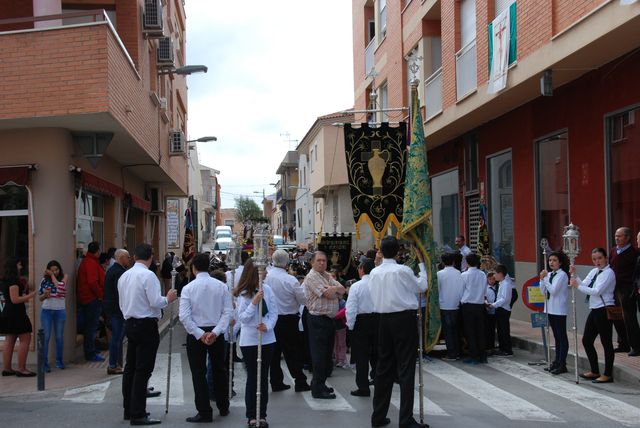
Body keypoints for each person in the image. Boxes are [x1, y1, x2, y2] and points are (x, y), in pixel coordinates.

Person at [369, 236, 428, 428]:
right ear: (397, 252)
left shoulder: (375, 273)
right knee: (406, 368)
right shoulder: (402, 270)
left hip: (382, 320)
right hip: (403, 320)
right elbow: (422, 287)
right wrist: (422, 264)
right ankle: (405, 419)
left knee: (383, 368)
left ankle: (378, 416)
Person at [119, 243, 177, 425]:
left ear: (135, 257)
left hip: (130, 322)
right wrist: (168, 299)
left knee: (130, 368)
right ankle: (138, 413)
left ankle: (129, 409)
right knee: (142, 370)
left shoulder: (125, 275)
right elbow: (155, 301)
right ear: (150, 257)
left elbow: (122, 303)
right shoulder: (148, 275)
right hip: (145, 324)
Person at [179, 253, 232, 423]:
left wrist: (200, 334)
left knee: (198, 372)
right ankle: (223, 406)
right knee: (219, 370)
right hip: (215, 331)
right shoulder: (221, 286)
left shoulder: (188, 288)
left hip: (197, 333)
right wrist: (215, 332)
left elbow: (184, 317)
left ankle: (204, 410)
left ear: (193, 268)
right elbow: (227, 312)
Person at [235, 260, 279, 428]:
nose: (266, 272)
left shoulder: (267, 290)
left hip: (267, 338)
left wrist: (267, 325)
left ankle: (263, 414)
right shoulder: (244, 293)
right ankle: (252, 415)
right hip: (250, 340)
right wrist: (254, 303)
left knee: (263, 377)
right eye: (263, 270)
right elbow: (243, 318)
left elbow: (274, 312)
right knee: (253, 378)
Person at [265, 249, 310, 392]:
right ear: (286, 263)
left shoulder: (266, 277)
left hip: (270, 319)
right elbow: (302, 299)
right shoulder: (290, 280)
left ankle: (276, 381)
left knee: (274, 352)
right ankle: (300, 381)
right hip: (288, 319)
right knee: (292, 351)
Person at [570, 247, 617, 383]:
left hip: (604, 308)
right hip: (595, 308)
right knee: (587, 340)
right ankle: (595, 370)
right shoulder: (594, 271)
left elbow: (596, 291)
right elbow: (584, 284)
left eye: (600, 258)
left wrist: (577, 286)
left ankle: (608, 374)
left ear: (605, 258)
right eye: (594, 259)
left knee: (606, 342)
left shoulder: (609, 273)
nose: (597, 261)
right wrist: (575, 275)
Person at [303, 251, 346, 399]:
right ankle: (317, 388)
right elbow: (329, 294)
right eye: (319, 260)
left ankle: (321, 383)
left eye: (324, 260)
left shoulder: (326, 275)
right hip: (317, 320)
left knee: (327, 355)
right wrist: (334, 291)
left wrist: (334, 290)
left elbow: (342, 290)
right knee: (319, 355)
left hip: (328, 320)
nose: (322, 263)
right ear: (312, 262)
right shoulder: (312, 277)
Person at [345, 258, 378, 397]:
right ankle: (379, 380)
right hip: (378, 319)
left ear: (362, 269)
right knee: (378, 355)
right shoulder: (379, 285)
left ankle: (363, 387)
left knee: (362, 357)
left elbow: (351, 308)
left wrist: (350, 326)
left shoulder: (356, 286)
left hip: (362, 322)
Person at [0, 259, 36, 377]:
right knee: (26, 338)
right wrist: (31, 295)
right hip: (16, 313)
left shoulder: (6, 280)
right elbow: (15, 299)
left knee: (9, 340)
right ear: (14, 266)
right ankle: (22, 368)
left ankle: (7, 368)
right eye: (19, 264)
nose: (21, 266)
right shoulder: (13, 281)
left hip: (8, 313)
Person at [609, 227, 639, 356]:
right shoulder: (613, 251)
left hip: (627, 290)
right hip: (613, 288)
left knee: (629, 318)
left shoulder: (634, 253)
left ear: (627, 238)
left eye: (620, 236)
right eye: (616, 236)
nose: (617, 238)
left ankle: (636, 346)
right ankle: (623, 343)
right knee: (615, 316)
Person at [539, 251, 570, 374]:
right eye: (550, 260)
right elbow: (544, 292)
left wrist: (545, 279)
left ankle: (562, 363)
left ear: (560, 262)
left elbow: (554, 291)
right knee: (556, 337)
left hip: (559, 309)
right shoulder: (550, 274)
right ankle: (557, 361)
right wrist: (542, 280)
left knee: (562, 337)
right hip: (550, 308)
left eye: (554, 260)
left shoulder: (562, 275)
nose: (551, 262)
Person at [77, 241, 106, 362]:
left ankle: (92, 349)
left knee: (91, 327)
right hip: (91, 299)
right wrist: (100, 295)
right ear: (97, 251)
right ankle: (90, 352)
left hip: (89, 298)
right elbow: (92, 282)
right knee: (91, 327)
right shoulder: (90, 263)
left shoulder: (89, 261)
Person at [38, 260, 68, 372]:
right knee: (45, 337)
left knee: (59, 337)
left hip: (59, 311)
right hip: (46, 311)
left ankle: (59, 361)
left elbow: (61, 288)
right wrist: (45, 295)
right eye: (52, 270)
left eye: (56, 270)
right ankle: (44, 364)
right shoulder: (44, 281)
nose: (54, 272)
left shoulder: (64, 277)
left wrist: (51, 276)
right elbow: (40, 298)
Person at [104, 249, 130, 375]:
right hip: (117, 310)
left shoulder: (112, 270)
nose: (129, 260)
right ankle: (114, 365)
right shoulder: (119, 272)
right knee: (117, 338)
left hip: (113, 309)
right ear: (121, 258)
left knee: (117, 338)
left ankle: (116, 364)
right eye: (127, 257)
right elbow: (120, 292)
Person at [460, 253, 488, 364]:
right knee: (481, 331)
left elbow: (461, 291)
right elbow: (484, 290)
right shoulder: (482, 274)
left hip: (468, 306)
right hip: (480, 305)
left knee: (470, 332)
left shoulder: (464, 275)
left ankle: (474, 356)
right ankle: (483, 356)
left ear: (467, 262)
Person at [437, 253, 464, 361]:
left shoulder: (439, 274)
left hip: (444, 305)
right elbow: (462, 289)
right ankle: (458, 351)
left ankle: (452, 353)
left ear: (443, 262)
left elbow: (438, 290)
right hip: (456, 304)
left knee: (448, 331)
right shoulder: (459, 273)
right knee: (456, 330)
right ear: (453, 261)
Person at [489, 264, 513, 357]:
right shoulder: (502, 283)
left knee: (504, 330)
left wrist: (493, 305)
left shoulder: (506, 284)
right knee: (500, 329)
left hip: (504, 309)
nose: (494, 276)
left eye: (495, 273)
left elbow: (504, 299)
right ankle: (502, 348)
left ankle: (507, 350)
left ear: (501, 274)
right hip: (500, 309)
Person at [484, 272, 498, 353]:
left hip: (496, 311)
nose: (492, 281)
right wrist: (486, 304)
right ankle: (488, 346)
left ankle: (492, 345)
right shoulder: (485, 288)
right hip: (489, 311)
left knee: (493, 329)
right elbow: (484, 297)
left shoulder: (497, 288)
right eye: (490, 279)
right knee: (489, 329)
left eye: (493, 279)